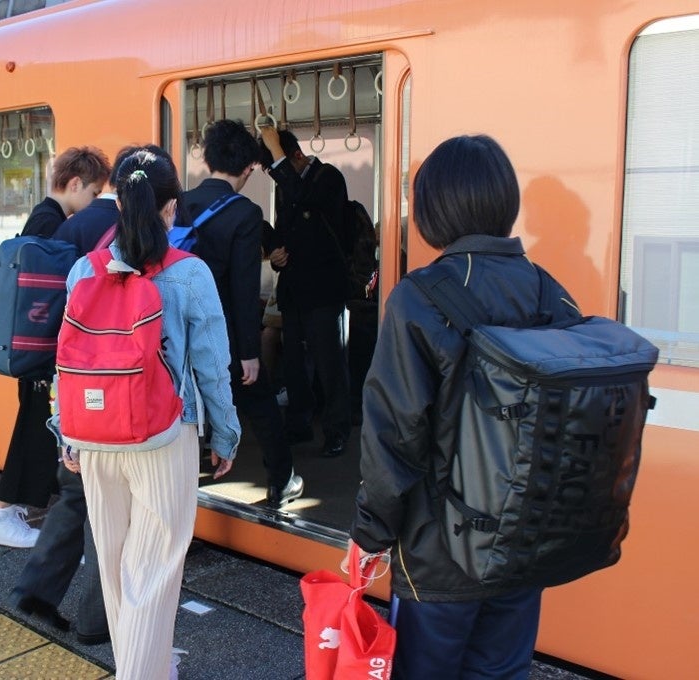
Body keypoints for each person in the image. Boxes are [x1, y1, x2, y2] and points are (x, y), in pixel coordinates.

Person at [346, 135, 580, 679]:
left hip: (438, 558)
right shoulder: (553, 295)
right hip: (524, 546)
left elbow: (393, 436)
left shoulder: (418, 297)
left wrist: (370, 535)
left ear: (434, 209)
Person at [52, 149, 240, 679]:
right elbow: (212, 367)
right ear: (171, 208)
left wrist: (67, 436)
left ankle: (149, 662)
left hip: (93, 437)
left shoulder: (83, 271)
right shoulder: (189, 274)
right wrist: (225, 434)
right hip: (162, 436)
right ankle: (141, 673)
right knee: (153, 569)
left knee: (114, 566)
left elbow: (66, 363)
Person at [8, 144, 143, 644]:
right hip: (115, 381)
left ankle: (38, 589)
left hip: (73, 378)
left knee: (75, 491)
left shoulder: (73, 227)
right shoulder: (133, 229)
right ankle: (96, 620)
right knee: (115, 507)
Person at [0, 146, 111, 548]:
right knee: (36, 431)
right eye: (91, 194)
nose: (90, 206)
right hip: (40, 352)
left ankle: (7, 512)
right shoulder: (52, 223)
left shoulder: (43, 217)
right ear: (74, 184)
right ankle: (2, 513)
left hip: (30, 347)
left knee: (36, 430)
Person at [184, 120, 301, 509]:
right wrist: (249, 352)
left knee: (189, 409)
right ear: (249, 167)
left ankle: (187, 491)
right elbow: (244, 288)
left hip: (180, 333)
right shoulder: (245, 214)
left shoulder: (180, 203)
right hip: (226, 335)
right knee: (261, 404)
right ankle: (282, 481)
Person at [257, 126, 351, 458]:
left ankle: (337, 429)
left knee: (330, 362)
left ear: (296, 155)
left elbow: (304, 200)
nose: (277, 178)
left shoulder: (329, 178)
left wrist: (276, 153)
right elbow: (287, 232)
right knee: (295, 363)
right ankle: (298, 422)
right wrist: (277, 254)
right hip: (295, 288)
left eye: (279, 166)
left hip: (324, 289)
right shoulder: (287, 186)